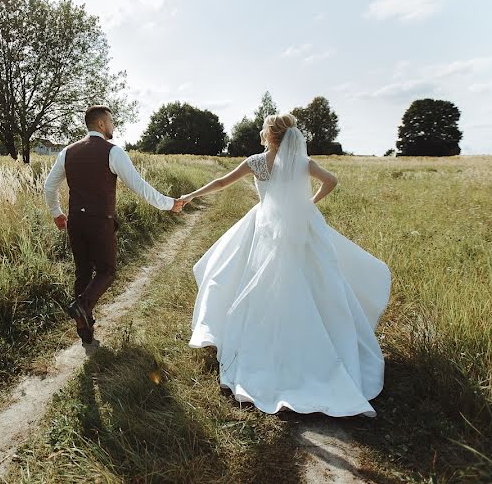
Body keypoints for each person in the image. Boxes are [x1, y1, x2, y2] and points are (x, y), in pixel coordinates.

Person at [178, 113, 390, 417]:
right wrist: (308, 204)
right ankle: (323, 346)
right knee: (317, 282)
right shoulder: (302, 163)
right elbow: (332, 181)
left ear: (268, 135)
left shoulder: (255, 162)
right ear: (291, 136)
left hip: (265, 227)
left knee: (250, 280)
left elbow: (222, 181)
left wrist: (191, 195)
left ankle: (258, 348)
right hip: (300, 229)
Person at [44, 105, 186, 346]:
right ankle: (82, 306)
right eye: (111, 121)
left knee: (83, 273)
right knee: (107, 271)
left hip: (75, 222)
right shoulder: (113, 152)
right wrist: (169, 204)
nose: (113, 126)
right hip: (100, 222)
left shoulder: (66, 152)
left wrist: (57, 213)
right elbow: (139, 187)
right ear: (101, 124)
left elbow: (49, 186)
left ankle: (85, 329)